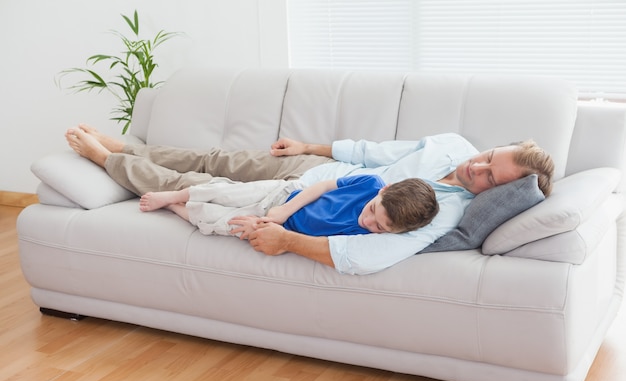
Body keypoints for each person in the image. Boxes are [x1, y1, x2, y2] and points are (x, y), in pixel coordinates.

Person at [65, 124, 555, 275]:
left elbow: (363, 256)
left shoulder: (443, 210)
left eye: (491, 177)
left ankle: (109, 162)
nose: (477, 168)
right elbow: (376, 151)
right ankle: (129, 148)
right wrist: (309, 148)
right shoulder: (454, 146)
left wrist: (285, 241)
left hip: (303, 196)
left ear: (504, 190)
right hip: (319, 174)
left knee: (193, 182)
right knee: (216, 159)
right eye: (489, 156)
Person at [138, 175, 439, 239]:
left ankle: (176, 208)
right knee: (225, 192)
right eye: (373, 210)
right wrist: (283, 210)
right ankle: (174, 195)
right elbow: (320, 187)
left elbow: (309, 242)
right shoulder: (369, 183)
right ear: (383, 191)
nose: (367, 221)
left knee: (217, 221)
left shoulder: (366, 237)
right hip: (283, 196)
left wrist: (270, 225)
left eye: (380, 227)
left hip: (278, 224)